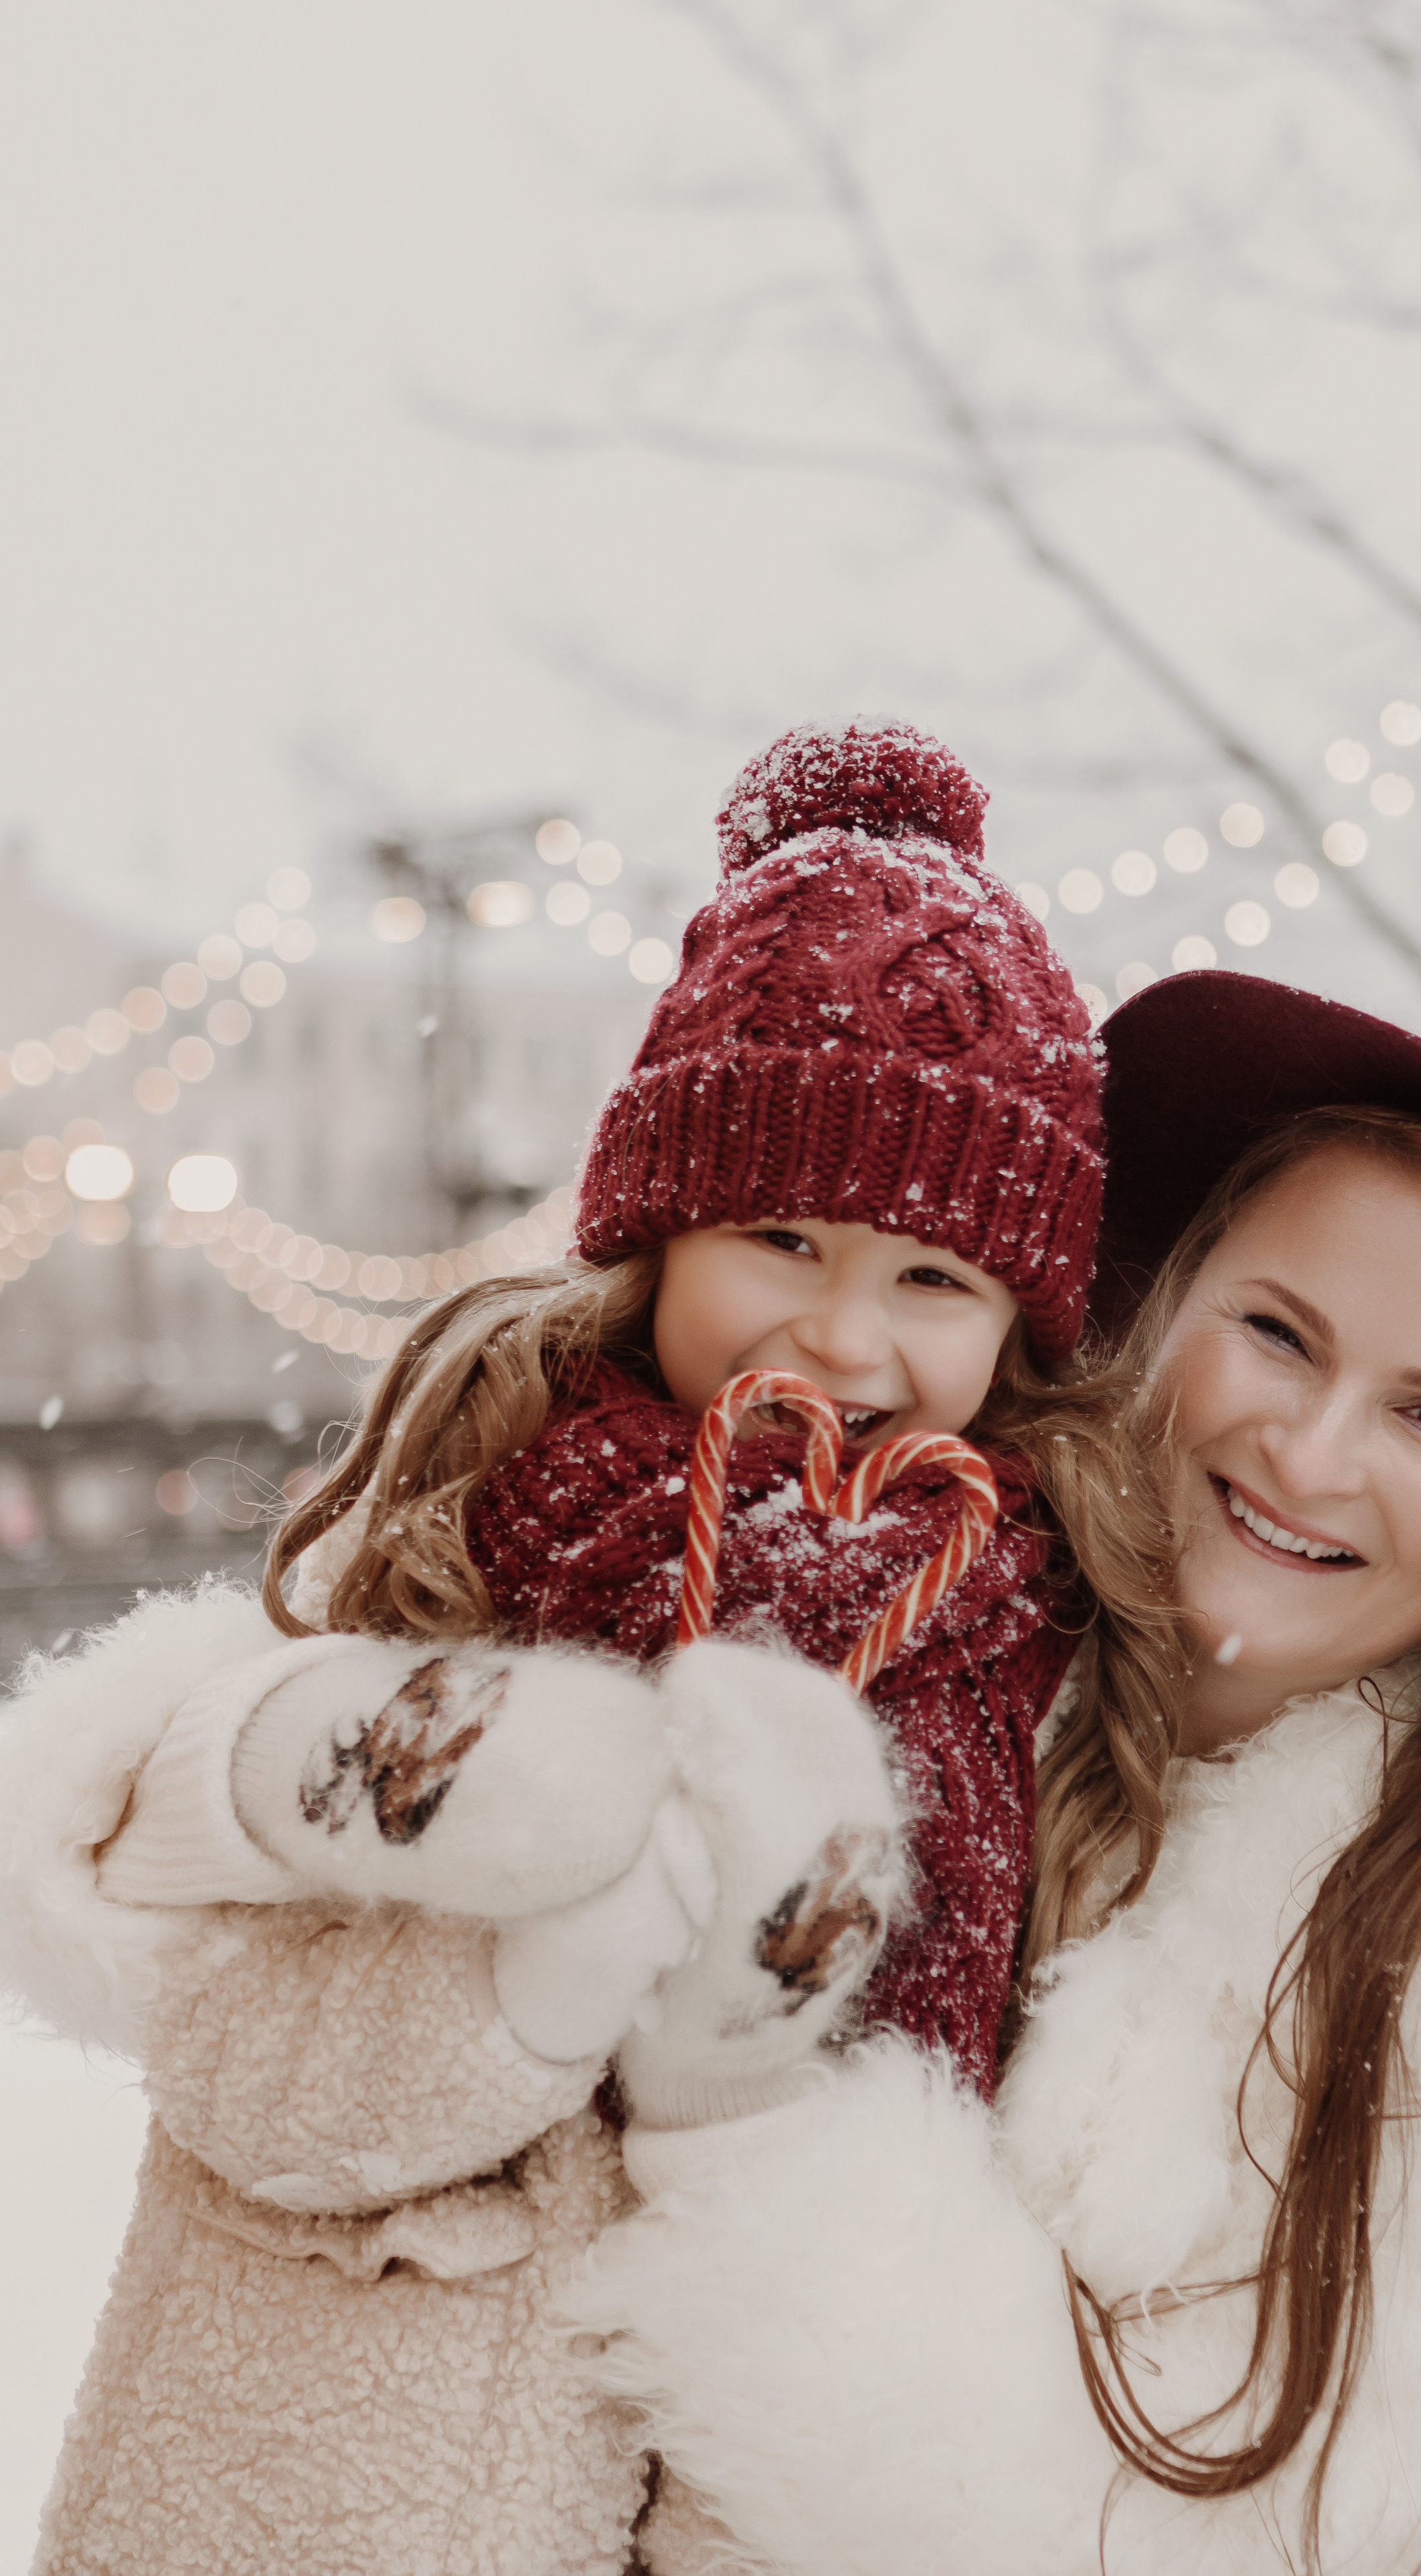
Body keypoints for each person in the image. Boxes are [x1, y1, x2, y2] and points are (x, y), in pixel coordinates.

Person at [0, 718, 1163, 2576]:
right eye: (783, 1237)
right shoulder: (475, 1534)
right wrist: (529, 1947)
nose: (848, 1345)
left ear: (1019, 1329)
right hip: (329, 2478)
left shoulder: (1043, 1652)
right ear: (659, 1233)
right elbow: (237, 2050)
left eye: (934, 1276)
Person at [563, 972, 1421, 2576]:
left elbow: (1133, 2546)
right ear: (1155, 1304)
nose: (1306, 1456)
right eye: (1272, 1333)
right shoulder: (903, 1656)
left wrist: (740, 2116)